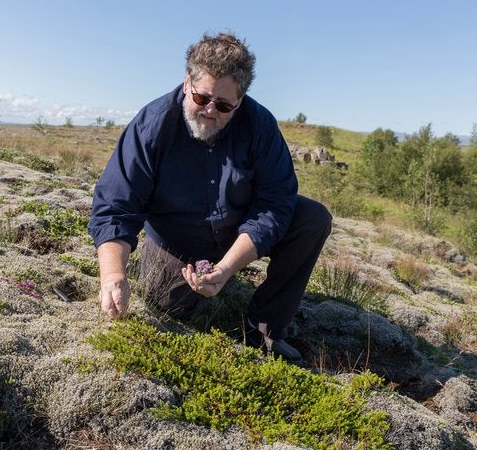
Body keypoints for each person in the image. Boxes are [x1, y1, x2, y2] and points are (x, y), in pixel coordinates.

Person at [87, 32, 332, 364]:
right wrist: (113, 275)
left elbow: (275, 203)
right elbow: (116, 205)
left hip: (237, 230)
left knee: (312, 219)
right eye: (202, 99)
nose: (210, 111)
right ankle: (183, 282)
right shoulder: (152, 126)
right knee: (168, 306)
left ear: (240, 101)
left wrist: (228, 266)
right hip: (176, 241)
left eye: (224, 105)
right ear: (187, 82)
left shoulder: (260, 127)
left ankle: (264, 328)